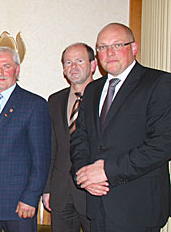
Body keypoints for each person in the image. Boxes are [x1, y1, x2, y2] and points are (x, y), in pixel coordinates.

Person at [70, 23, 171, 232]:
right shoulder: (93, 89)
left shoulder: (159, 83)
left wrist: (107, 171)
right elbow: (81, 138)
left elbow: (162, 144)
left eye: (117, 45)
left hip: (138, 208)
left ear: (133, 48)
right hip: (97, 205)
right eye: (103, 47)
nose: (110, 53)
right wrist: (84, 176)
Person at [0, 47, 51, 232]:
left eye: (6, 66)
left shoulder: (34, 104)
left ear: (17, 70)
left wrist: (30, 197)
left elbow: (41, 159)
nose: (0, 72)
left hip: (19, 204)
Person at [42, 43, 96, 232]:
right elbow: (51, 148)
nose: (73, 67)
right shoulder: (55, 101)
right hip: (61, 192)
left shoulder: (106, 98)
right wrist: (47, 188)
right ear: (64, 69)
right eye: (68, 62)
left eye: (79, 61)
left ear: (93, 65)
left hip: (94, 193)